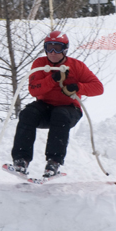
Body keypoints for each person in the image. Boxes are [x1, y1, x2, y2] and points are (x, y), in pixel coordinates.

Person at [11, 30, 104, 177]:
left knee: (60, 114)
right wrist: (52, 79)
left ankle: (54, 162)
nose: (53, 53)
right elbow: (33, 90)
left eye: (57, 48)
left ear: (65, 49)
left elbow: (98, 88)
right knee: (28, 113)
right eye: (49, 48)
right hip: (45, 106)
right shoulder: (40, 64)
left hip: (69, 109)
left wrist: (77, 87)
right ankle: (21, 159)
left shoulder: (77, 66)